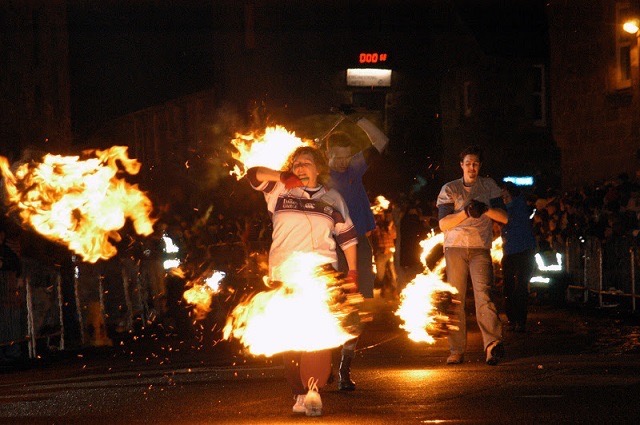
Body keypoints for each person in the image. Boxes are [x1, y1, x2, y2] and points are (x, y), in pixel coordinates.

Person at [246, 145, 358, 416]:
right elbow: (252, 174)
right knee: (292, 336)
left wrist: (353, 273)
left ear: (319, 168)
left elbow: (347, 237)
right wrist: (282, 177)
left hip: (323, 275)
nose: (300, 166)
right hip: (287, 274)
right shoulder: (279, 192)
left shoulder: (333, 198)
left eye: (306, 162)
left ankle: (313, 390)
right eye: (296, 163)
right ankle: (298, 392)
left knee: (319, 334)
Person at [325, 110, 389, 390]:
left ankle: (344, 368)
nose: (342, 162)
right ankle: (323, 362)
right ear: (326, 154)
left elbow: (381, 141)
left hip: (360, 247)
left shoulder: (354, 169)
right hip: (329, 247)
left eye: (346, 156)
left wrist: (358, 118)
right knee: (329, 308)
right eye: (337, 156)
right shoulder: (318, 176)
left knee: (357, 308)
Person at [436, 145, 508, 366]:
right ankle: (456, 349)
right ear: (461, 165)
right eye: (468, 163)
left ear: (480, 165)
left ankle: (492, 346)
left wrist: (485, 209)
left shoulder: (488, 186)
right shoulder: (450, 189)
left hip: (480, 248)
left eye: (475, 163)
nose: (472, 167)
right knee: (455, 298)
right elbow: (443, 224)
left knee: (484, 296)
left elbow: (504, 217)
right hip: (455, 248)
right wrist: (466, 212)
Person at [499, 182, 537, 333]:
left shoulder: (519, 205)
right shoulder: (505, 208)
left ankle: (520, 320)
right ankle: (513, 319)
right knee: (508, 288)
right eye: (503, 197)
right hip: (509, 253)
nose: (505, 199)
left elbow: (509, 215)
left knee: (520, 287)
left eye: (507, 196)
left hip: (524, 252)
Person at [370, 209, 398, 300]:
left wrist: (389, 228)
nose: (381, 217)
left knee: (393, 274)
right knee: (380, 275)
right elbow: (375, 236)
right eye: (379, 216)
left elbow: (394, 236)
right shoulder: (375, 227)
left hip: (390, 253)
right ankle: (382, 291)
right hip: (380, 254)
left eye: (382, 215)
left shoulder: (389, 226)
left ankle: (394, 291)